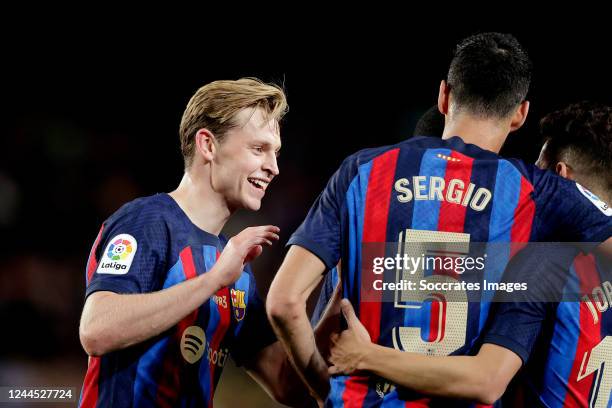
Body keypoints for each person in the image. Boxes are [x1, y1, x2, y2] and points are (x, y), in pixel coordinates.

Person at [266, 32, 612, 407]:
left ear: (444, 96)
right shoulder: (537, 191)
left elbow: (283, 303)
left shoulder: (362, 172)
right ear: (519, 115)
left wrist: (322, 386)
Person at [326, 101, 612, 406]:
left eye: (538, 170)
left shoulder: (542, 263)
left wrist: (366, 356)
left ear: (561, 178)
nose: (531, 186)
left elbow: (486, 379)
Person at [77, 78, 316, 407]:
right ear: (208, 145)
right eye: (258, 149)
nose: (273, 167)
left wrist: (335, 297)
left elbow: (288, 386)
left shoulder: (236, 269)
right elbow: (97, 329)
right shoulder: (148, 222)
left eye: (275, 153)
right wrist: (214, 279)